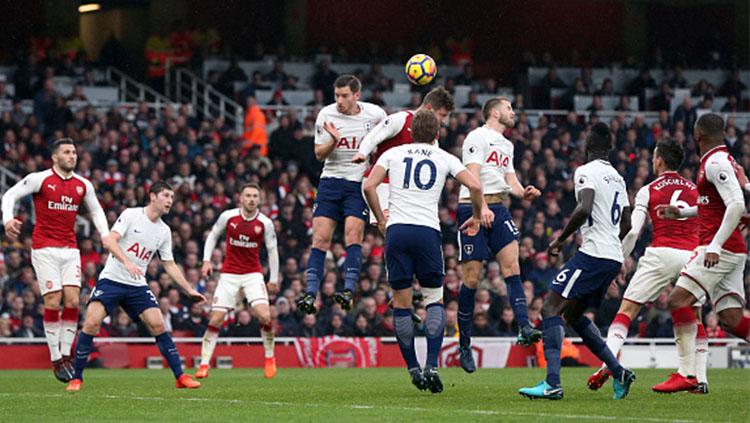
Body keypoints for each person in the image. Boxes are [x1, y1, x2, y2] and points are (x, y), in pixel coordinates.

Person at [363, 109, 488, 394]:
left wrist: (381, 219)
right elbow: (476, 185)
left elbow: (369, 185)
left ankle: (413, 369)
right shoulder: (444, 157)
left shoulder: (393, 154)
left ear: (410, 132)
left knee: (402, 305)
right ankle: (432, 364)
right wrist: (478, 216)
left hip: (397, 231)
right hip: (427, 232)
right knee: (434, 300)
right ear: (437, 133)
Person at [518, 123, 636, 400]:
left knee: (550, 306)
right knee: (572, 314)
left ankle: (552, 383)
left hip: (594, 254)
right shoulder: (618, 177)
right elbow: (628, 222)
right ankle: (618, 372)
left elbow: (584, 208)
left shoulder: (585, 171)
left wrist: (559, 240)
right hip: (612, 255)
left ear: (587, 144)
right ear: (609, 147)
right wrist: (609, 243)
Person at [588, 138, 710, 393]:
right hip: (692, 255)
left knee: (627, 310)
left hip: (661, 253)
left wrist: (620, 258)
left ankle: (607, 364)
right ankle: (699, 378)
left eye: (655, 156)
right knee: (695, 316)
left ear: (660, 160)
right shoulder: (695, 189)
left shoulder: (649, 189)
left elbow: (634, 231)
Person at [66, 182, 206, 391]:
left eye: (172, 197)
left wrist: (189, 289)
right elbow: (110, 241)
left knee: (158, 325)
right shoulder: (132, 215)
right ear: (152, 196)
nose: (170, 201)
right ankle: (76, 378)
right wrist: (127, 262)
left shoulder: (164, 231)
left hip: (136, 284)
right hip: (112, 279)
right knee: (92, 323)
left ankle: (180, 376)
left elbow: (169, 264)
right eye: (166, 196)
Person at [653, 113, 749, 393]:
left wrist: (716, 246)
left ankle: (687, 374)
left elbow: (736, 205)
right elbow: (714, 205)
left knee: (677, 300)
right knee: (731, 320)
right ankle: (690, 375)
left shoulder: (716, 162)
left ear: (698, 136)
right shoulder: (719, 160)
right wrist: (681, 212)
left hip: (719, 248)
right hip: (731, 248)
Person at [1, 138, 109, 383]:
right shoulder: (39, 179)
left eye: (74, 152)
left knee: (72, 300)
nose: (72, 156)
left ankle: (65, 355)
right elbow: (10, 194)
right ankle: (56, 360)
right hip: (44, 248)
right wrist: (7, 219)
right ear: (55, 157)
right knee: (53, 299)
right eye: (67, 152)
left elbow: (96, 211)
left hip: (70, 249)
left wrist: (104, 234)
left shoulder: (83, 185)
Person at [455, 97, 542, 373]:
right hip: (472, 208)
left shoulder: (507, 144)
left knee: (512, 267)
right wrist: (480, 210)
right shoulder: (477, 137)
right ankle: (465, 345)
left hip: (498, 208)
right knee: (471, 279)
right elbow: (472, 176)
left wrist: (522, 192)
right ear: (494, 112)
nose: (513, 112)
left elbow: (509, 178)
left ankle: (524, 325)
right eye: (508, 108)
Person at [296, 75, 386, 314]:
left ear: (357, 95)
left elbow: (386, 141)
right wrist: (334, 141)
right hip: (330, 182)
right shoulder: (327, 114)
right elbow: (318, 154)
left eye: (345, 95)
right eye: (337, 95)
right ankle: (310, 292)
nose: (339, 101)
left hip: (357, 183)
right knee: (320, 239)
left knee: (353, 235)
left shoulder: (375, 114)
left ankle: (348, 289)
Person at [197, 183, 279, 379]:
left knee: (265, 316)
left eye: (255, 196)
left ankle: (269, 358)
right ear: (241, 199)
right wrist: (206, 260)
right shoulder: (228, 217)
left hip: (253, 274)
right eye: (248, 196)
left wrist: (273, 279)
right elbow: (212, 236)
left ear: (260, 200)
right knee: (216, 318)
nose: (251, 199)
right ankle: (204, 364)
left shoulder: (265, 223)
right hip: (229, 275)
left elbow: (272, 250)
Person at [353, 87, 455, 225]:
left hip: (406, 191)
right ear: (429, 108)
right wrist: (362, 153)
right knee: (389, 228)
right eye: (442, 115)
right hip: (382, 184)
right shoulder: (401, 119)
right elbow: (373, 136)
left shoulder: (433, 137)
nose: (444, 121)